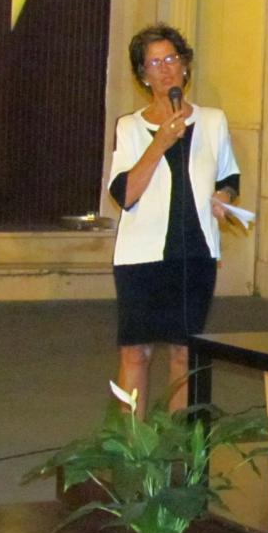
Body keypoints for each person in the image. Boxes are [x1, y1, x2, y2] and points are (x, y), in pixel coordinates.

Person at [107, 24, 240, 416]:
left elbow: (229, 177)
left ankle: (180, 443)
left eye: (171, 59)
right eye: (154, 63)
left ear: (185, 66)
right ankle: (131, 443)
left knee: (184, 353)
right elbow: (124, 194)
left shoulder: (213, 121)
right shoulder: (130, 127)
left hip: (194, 254)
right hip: (140, 257)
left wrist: (225, 197)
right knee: (135, 352)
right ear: (143, 75)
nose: (165, 69)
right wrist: (160, 142)